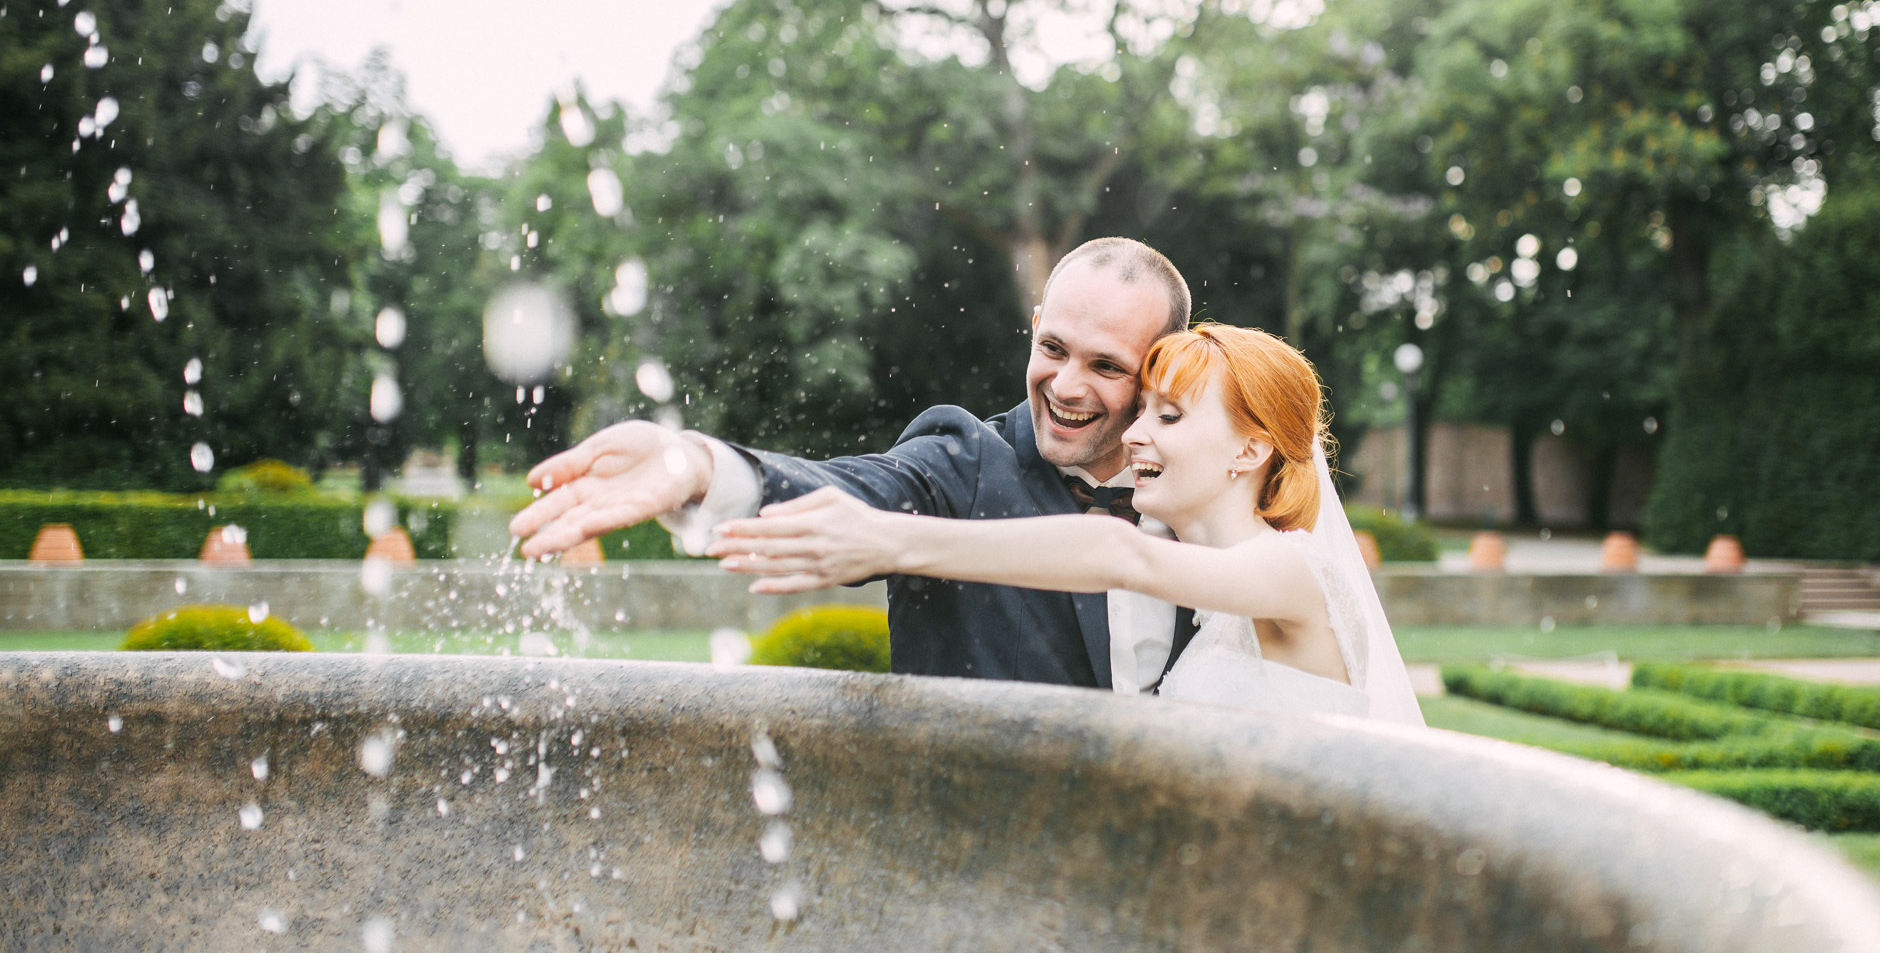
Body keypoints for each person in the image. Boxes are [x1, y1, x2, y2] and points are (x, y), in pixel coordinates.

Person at [510, 237, 1200, 693]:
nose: (1067, 385)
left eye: (1105, 364)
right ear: (1036, 323)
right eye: (1053, 348)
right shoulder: (962, 463)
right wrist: (700, 466)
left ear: (1165, 364)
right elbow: (855, 488)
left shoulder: (1214, 497)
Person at [707, 324, 1425, 725]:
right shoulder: (1216, 607)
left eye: (1169, 416)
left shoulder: (1293, 571)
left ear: (1250, 448)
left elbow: (1118, 555)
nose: (1136, 435)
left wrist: (893, 539)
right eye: (1142, 410)